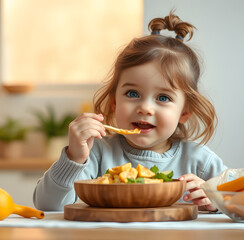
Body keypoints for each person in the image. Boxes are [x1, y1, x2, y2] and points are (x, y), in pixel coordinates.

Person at [33, 11, 227, 211]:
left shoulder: (200, 161)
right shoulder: (97, 154)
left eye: (163, 98)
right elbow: (47, 206)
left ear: (185, 113)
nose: (144, 108)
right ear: (114, 103)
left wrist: (217, 200)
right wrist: (74, 157)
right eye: (133, 93)